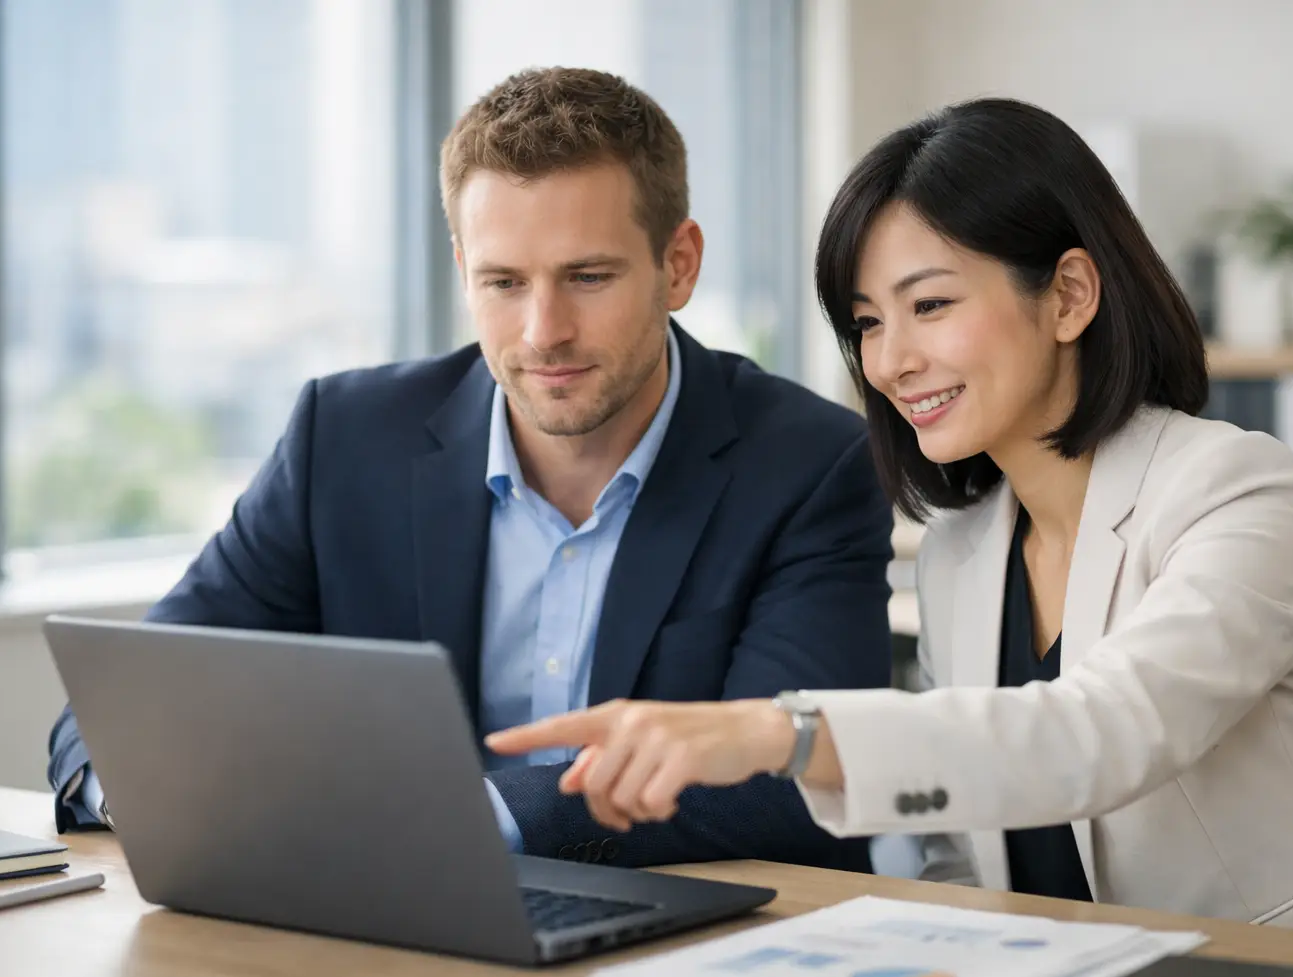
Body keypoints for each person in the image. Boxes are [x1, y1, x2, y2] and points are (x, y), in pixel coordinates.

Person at [488, 98, 1293, 944]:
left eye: (932, 304)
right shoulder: (960, 552)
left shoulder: (1240, 491)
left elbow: (1104, 731)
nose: (892, 360)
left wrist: (771, 733)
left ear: (1070, 295)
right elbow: (960, 853)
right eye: (868, 321)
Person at [46, 67, 895, 873]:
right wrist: (145, 789)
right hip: (379, 935)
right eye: (503, 282)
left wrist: (448, 818)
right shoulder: (341, 442)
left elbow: (790, 780)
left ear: (678, 265)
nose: (542, 332)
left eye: (587, 277)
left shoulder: (807, 464)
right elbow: (124, 705)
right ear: (462, 270)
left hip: (689, 953)